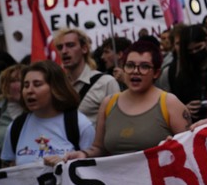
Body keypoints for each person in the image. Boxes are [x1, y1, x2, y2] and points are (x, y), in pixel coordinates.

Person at [53, 39, 189, 162]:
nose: (135, 71)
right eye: (130, 65)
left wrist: (173, 148)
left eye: (144, 66)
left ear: (156, 73)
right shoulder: (109, 103)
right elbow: (99, 149)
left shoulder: (169, 103)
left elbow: (189, 148)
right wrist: (83, 154)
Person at [1, 61, 95, 166]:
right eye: (26, 86)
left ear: (55, 88)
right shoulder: (15, 127)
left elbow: (92, 170)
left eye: (37, 84)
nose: (29, 91)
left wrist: (66, 165)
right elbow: (11, 172)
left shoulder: (80, 124)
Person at [54, 28, 120, 124]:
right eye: (60, 47)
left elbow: (116, 123)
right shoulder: (57, 86)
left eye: (70, 45)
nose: (64, 51)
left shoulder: (106, 82)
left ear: (84, 49)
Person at [163, 24, 207, 122]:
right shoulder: (176, 70)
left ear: (206, 41)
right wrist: (184, 108)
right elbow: (172, 100)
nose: (195, 53)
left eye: (198, 48)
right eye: (190, 51)